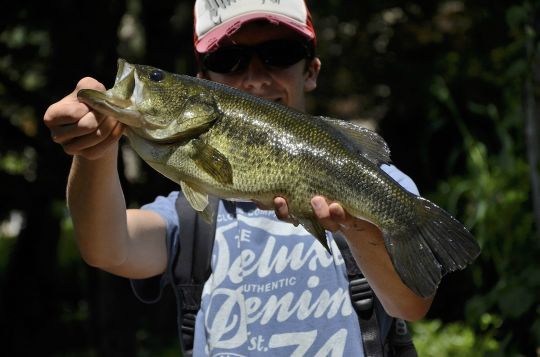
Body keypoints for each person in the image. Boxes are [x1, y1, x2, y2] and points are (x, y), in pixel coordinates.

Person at [44, 0, 433, 355]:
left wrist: (354, 227)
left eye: (279, 55)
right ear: (204, 78)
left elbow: (411, 303)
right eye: (230, 59)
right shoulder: (191, 216)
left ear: (311, 71)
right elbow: (106, 248)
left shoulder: (380, 184)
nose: (254, 77)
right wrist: (93, 152)